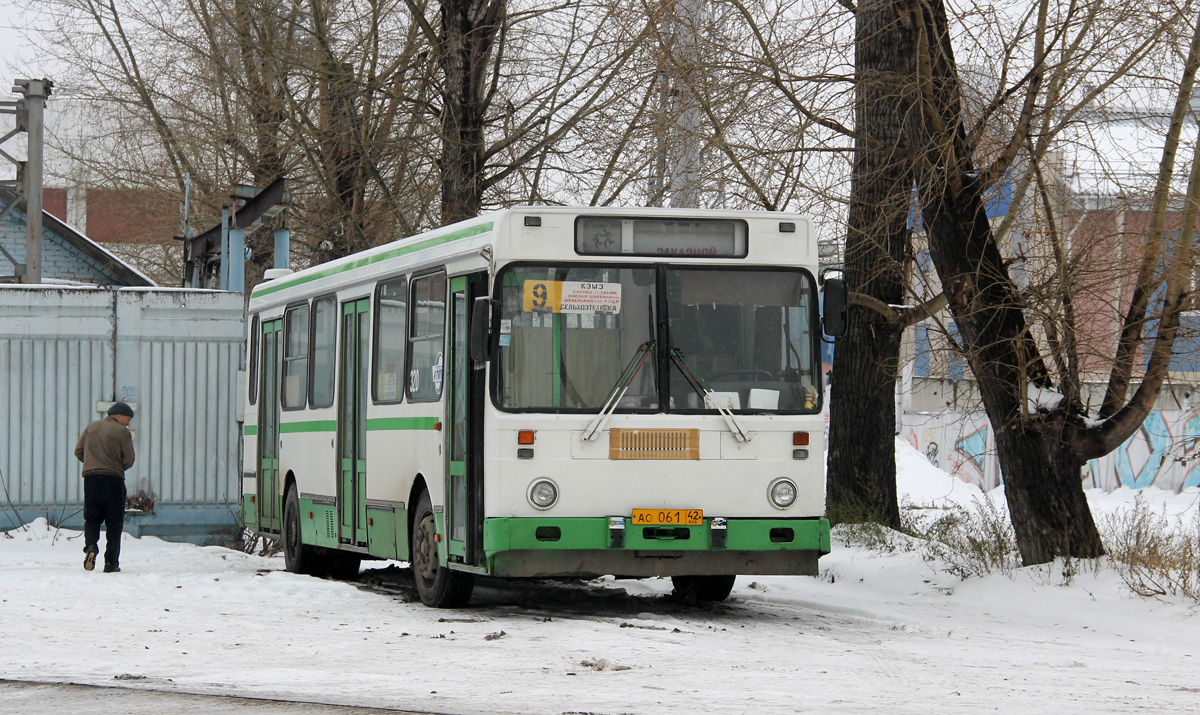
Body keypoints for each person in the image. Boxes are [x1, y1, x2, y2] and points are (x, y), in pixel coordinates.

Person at [74, 402, 136, 573]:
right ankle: (111, 563)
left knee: (92, 517)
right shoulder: (122, 432)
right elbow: (129, 459)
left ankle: (91, 546)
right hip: (113, 480)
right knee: (114, 522)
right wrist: (115, 466)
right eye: (127, 419)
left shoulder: (91, 428)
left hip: (91, 479)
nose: (128, 423)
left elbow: (78, 451)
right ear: (118, 415)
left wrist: (92, 464)